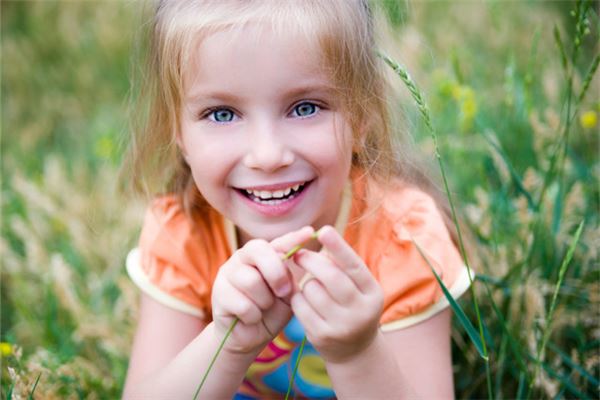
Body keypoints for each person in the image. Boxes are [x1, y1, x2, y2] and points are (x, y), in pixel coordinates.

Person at [122, 0, 473, 398]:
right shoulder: (185, 233)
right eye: (222, 114)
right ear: (179, 133)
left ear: (362, 116)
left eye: (305, 108)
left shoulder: (401, 238)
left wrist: (356, 353)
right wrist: (227, 342)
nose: (268, 156)